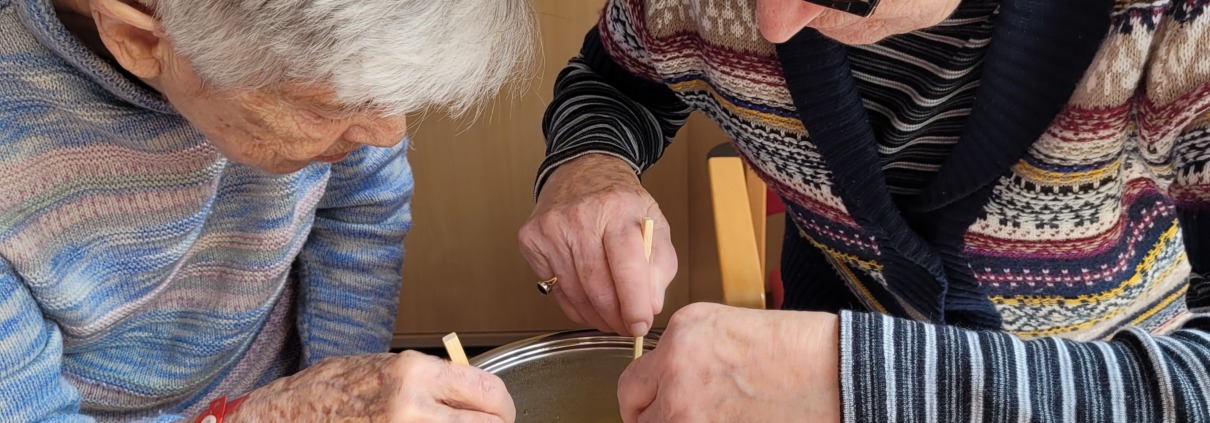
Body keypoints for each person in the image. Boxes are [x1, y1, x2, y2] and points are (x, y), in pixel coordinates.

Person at [519, 0, 1210, 421]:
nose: (773, 22)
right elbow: (616, 82)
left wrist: (858, 382)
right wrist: (587, 166)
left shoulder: (1186, 28)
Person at [0, 0, 532, 421]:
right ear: (137, 38)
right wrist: (271, 416)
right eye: (331, 106)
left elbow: (361, 213)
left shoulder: (327, 69)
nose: (389, 133)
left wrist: (343, 385)